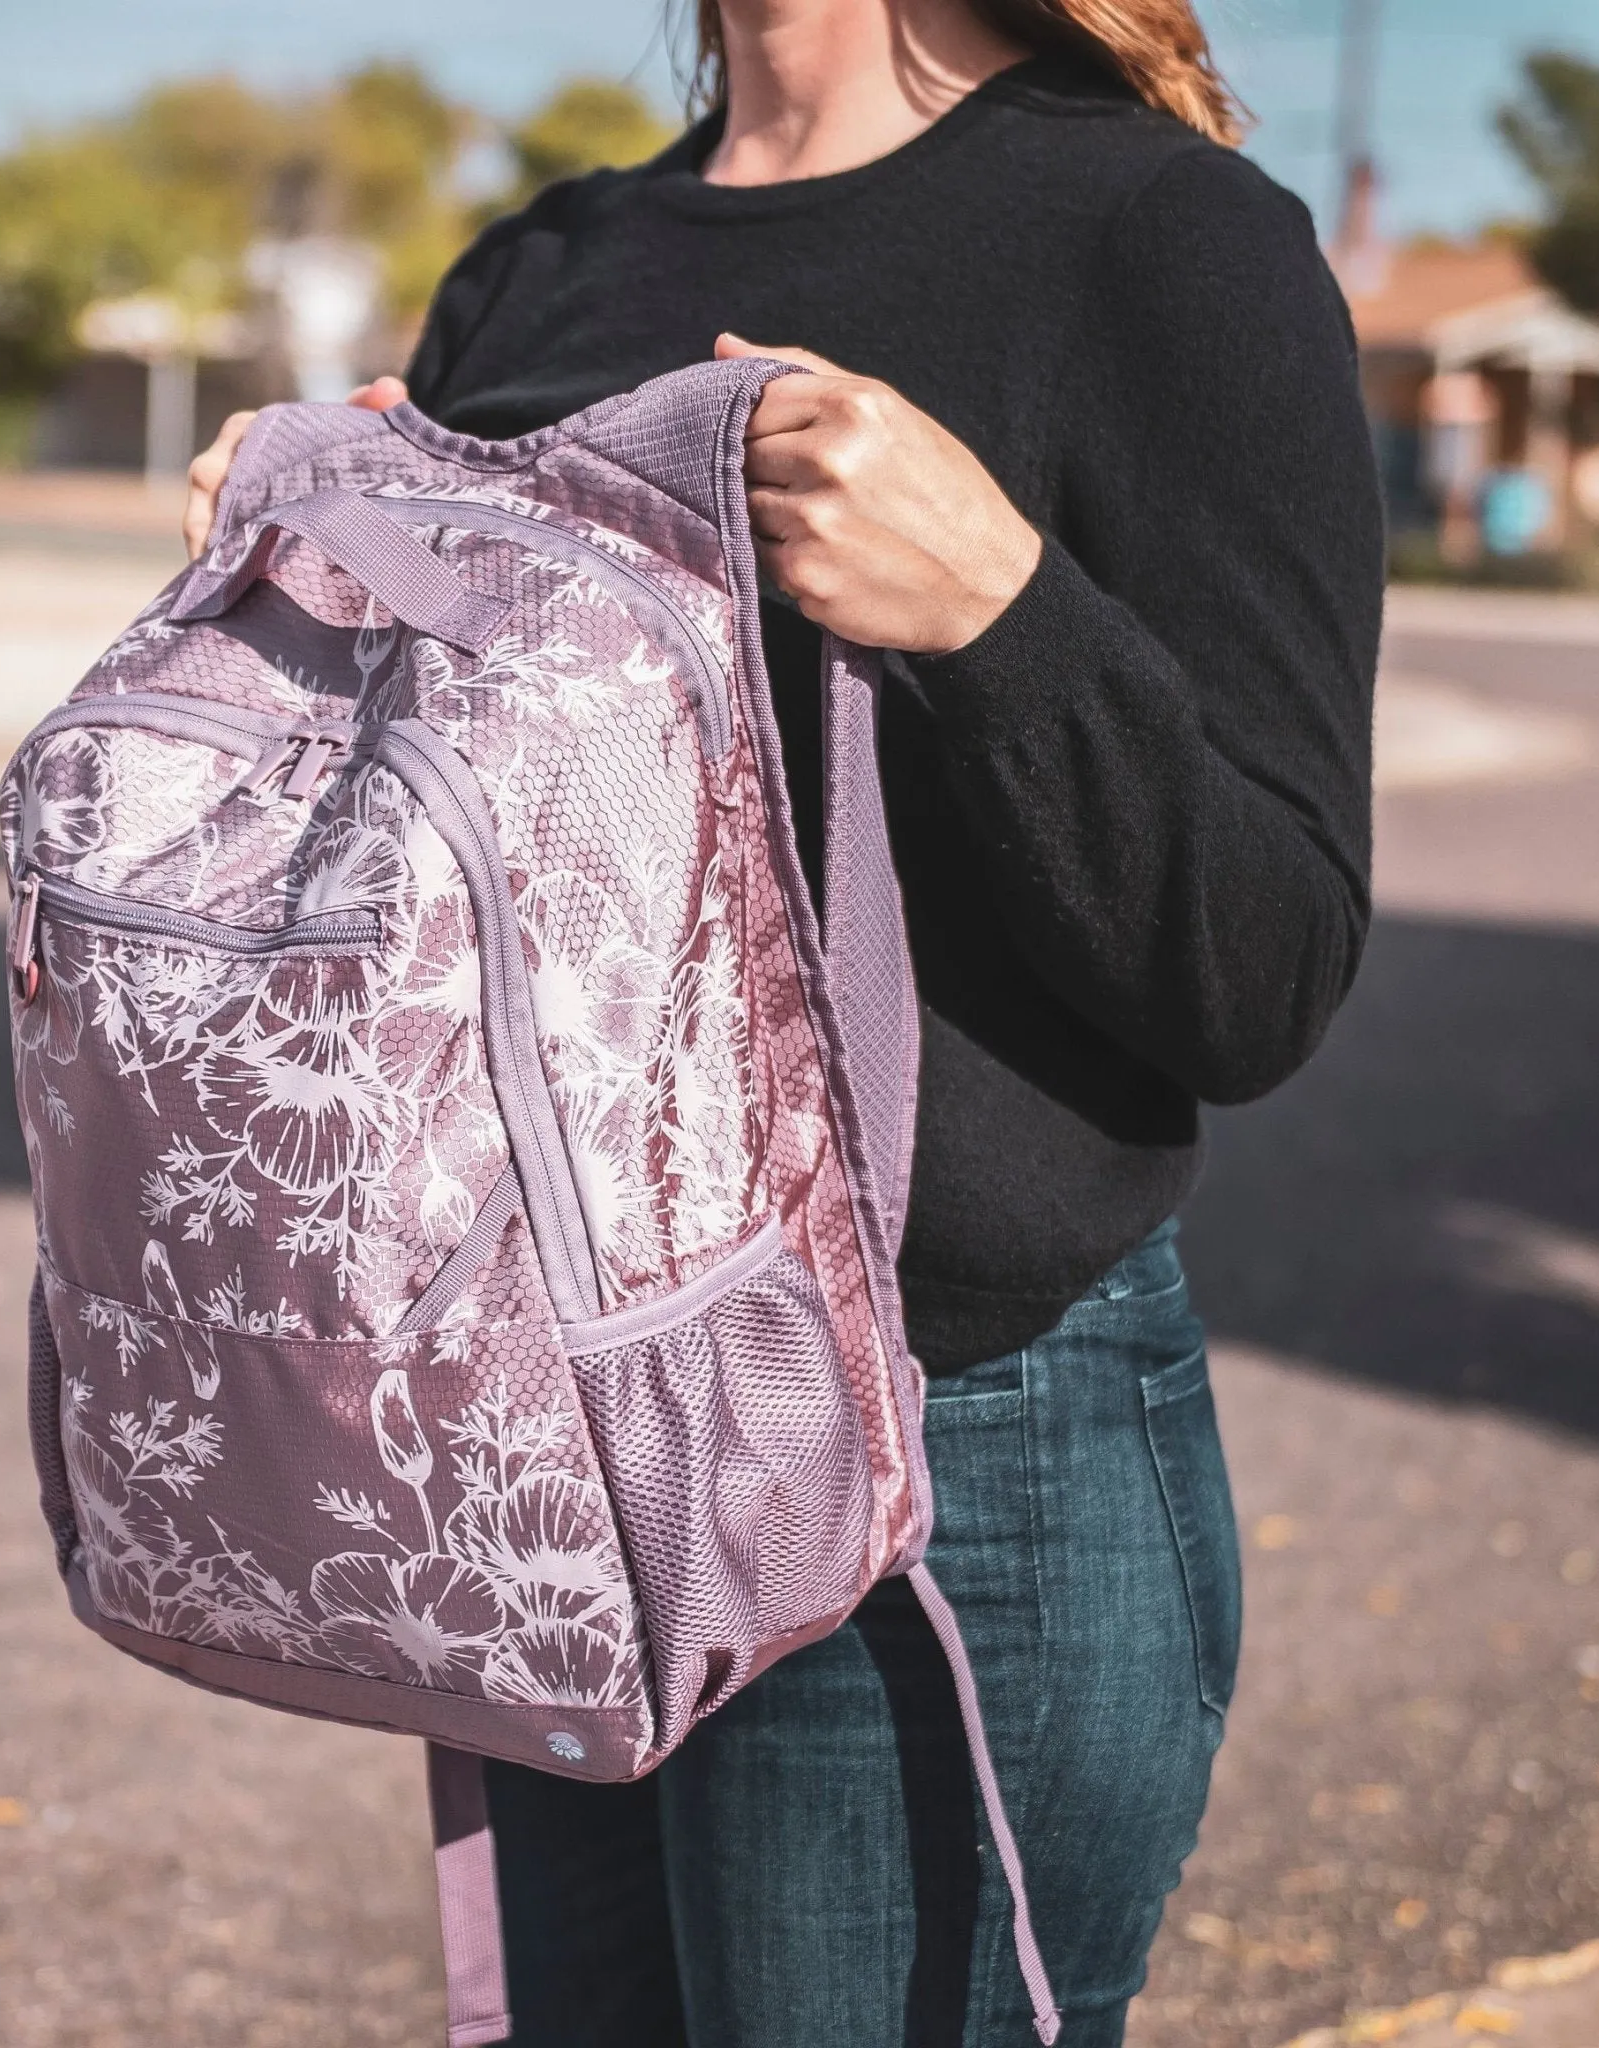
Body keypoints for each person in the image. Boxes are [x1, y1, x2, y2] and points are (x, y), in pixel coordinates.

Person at [184, 2, 1382, 2040]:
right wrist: (302, 610)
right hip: (554, 1428)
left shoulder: (1167, 240)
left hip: (945, 1455)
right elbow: (456, 897)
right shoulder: (545, 260)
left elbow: (1259, 963)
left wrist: (998, 606)